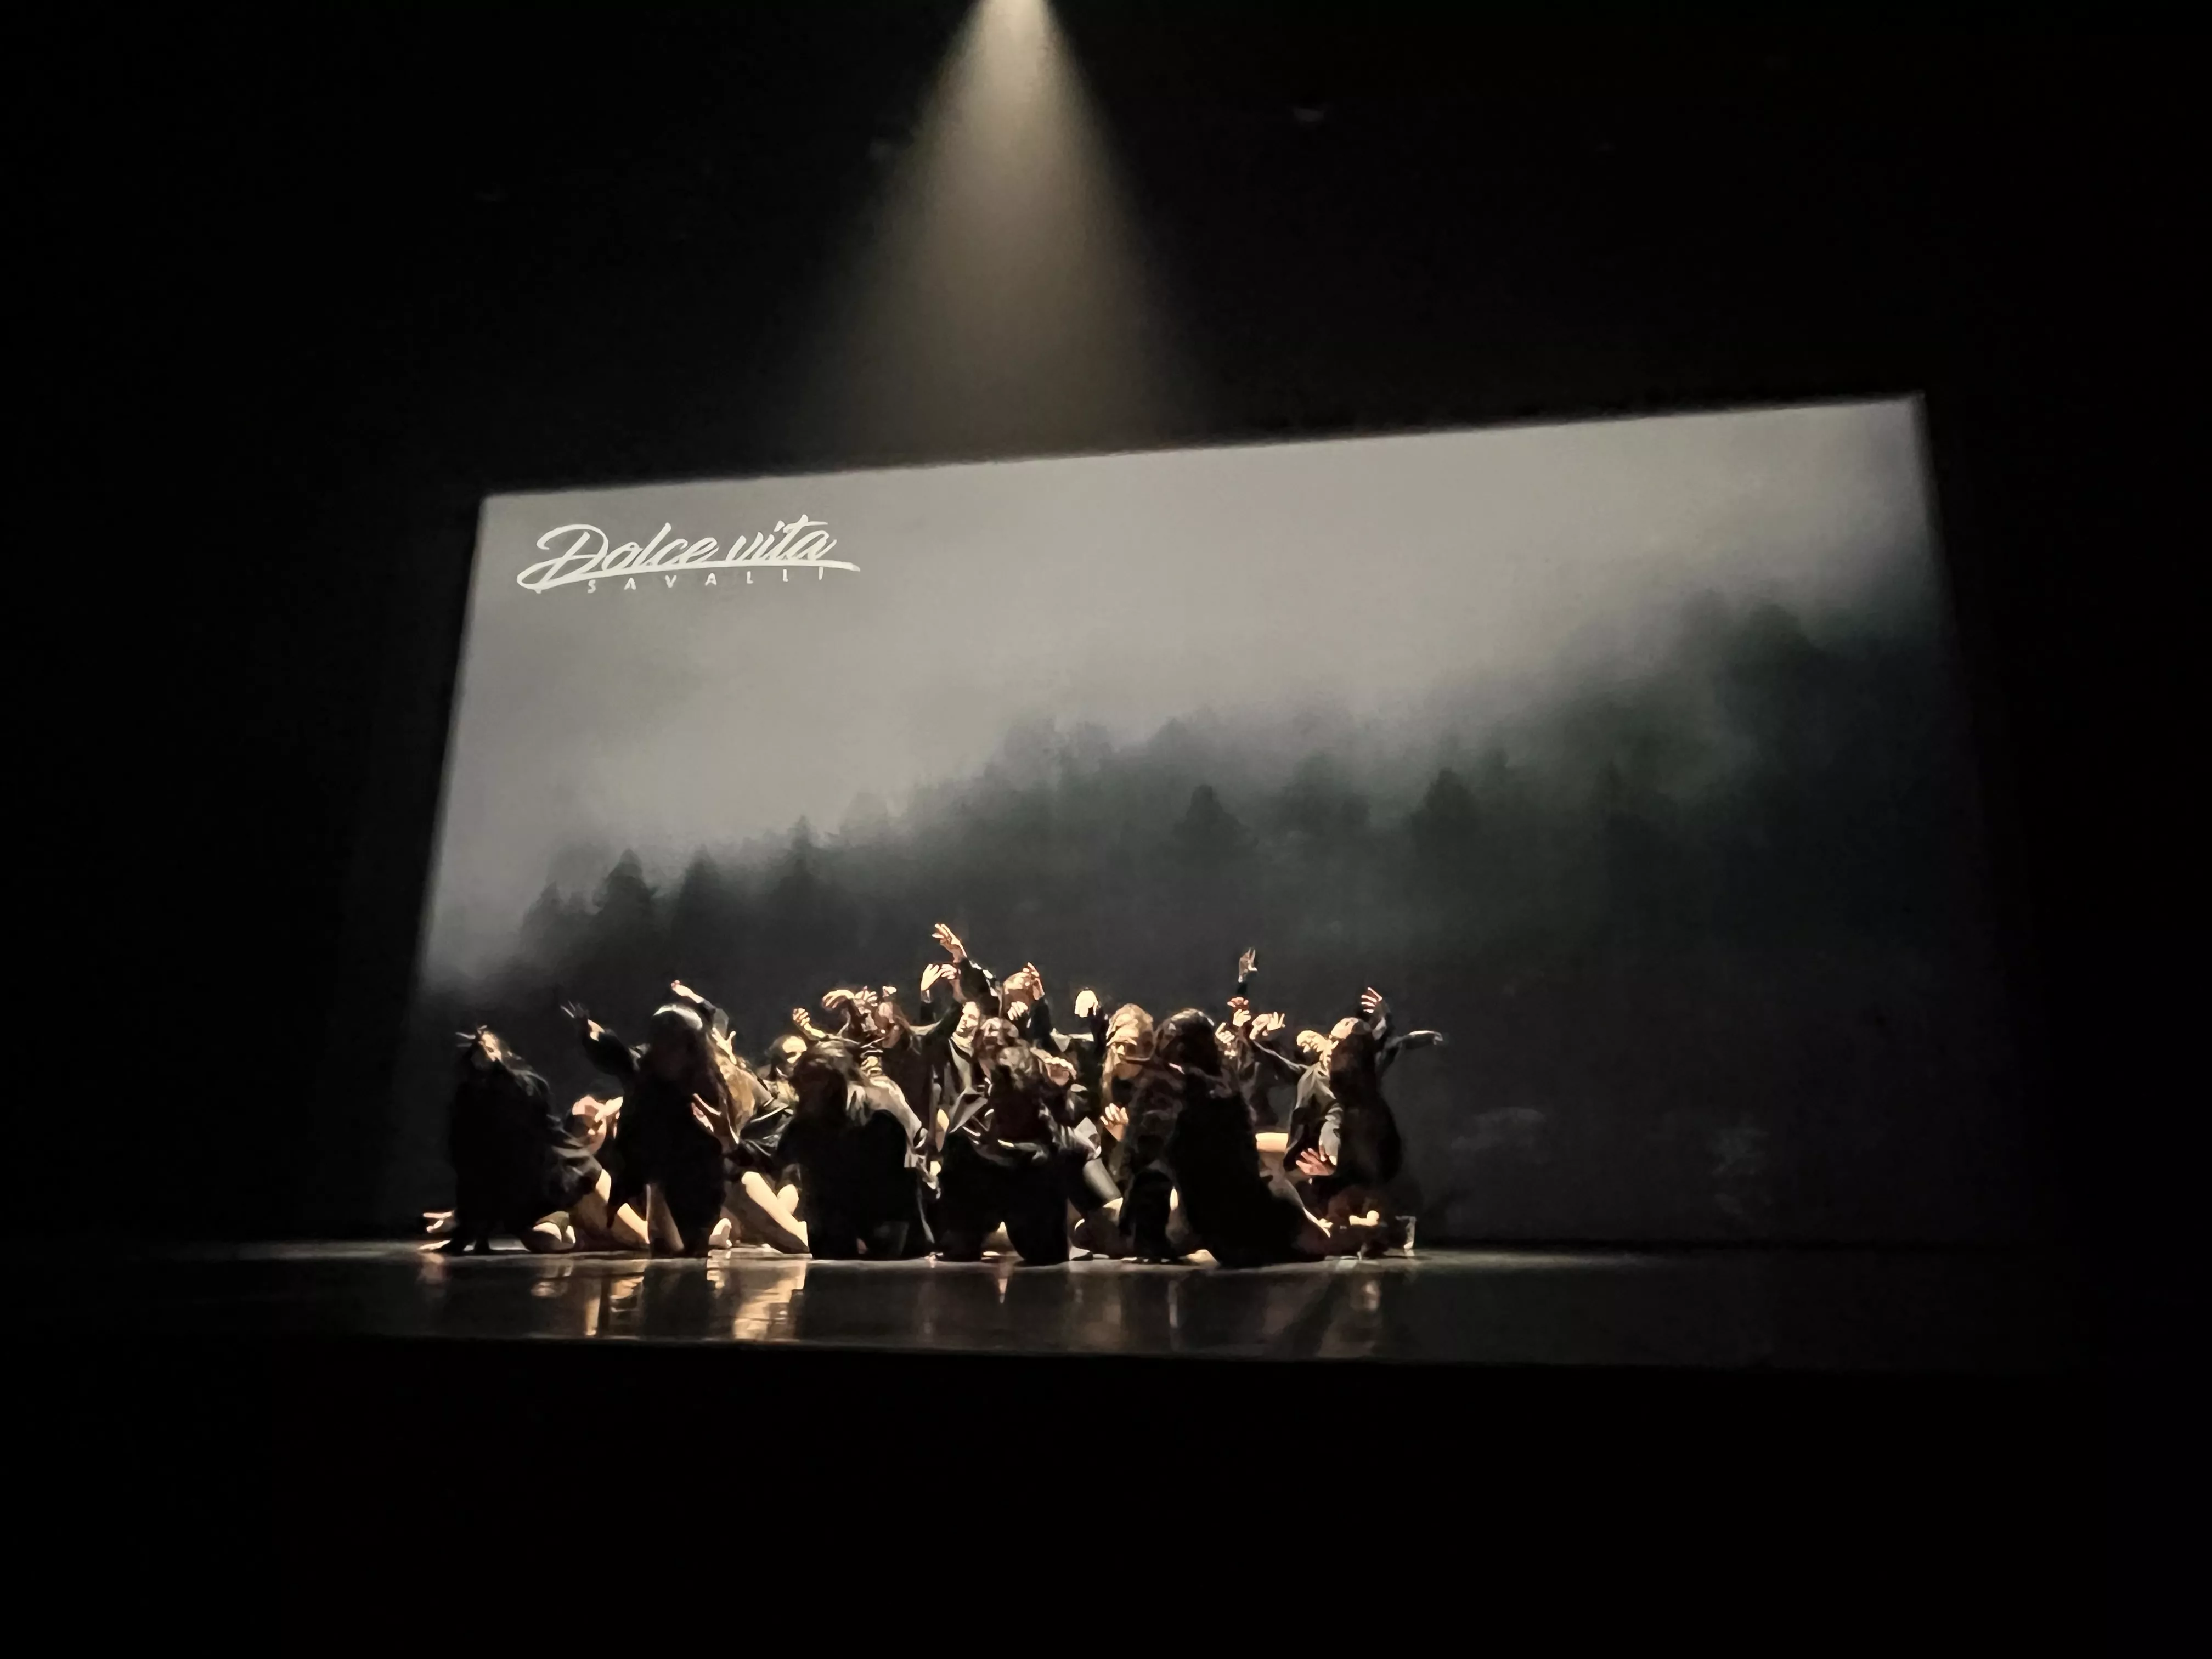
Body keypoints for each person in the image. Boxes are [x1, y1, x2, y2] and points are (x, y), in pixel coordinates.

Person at [442, 1026, 637, 1253]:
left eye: (489, 1049)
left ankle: (586, 1232)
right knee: (547, 1238)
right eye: (480, 1051)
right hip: (537, 1198)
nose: (487, 1056)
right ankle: (579, 1233)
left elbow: (544, 1132)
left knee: (639, 1241)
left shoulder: (525, 1086)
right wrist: (466, 1232)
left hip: (572, 1175)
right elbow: (473, 1171)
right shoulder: (468, 1109)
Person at [569, 997, 732, 1257]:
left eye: (672, 1041)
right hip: (652, 1165)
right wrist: (589, 1035)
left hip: (696, 1174)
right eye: (660, 1040)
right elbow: (614, 1053)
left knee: (691, 1246)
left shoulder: (706, 1082)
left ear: (689, 1047)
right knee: (665, 1249)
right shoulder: (641, 1066)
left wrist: (721, 1136)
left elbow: (721, 1140)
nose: (664, 1049)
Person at [774, 1038, 936, 1259]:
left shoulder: (815, 1116)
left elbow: (779, 1158)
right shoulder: (882, 1100)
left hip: (862, 1225)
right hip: (886, 1227)